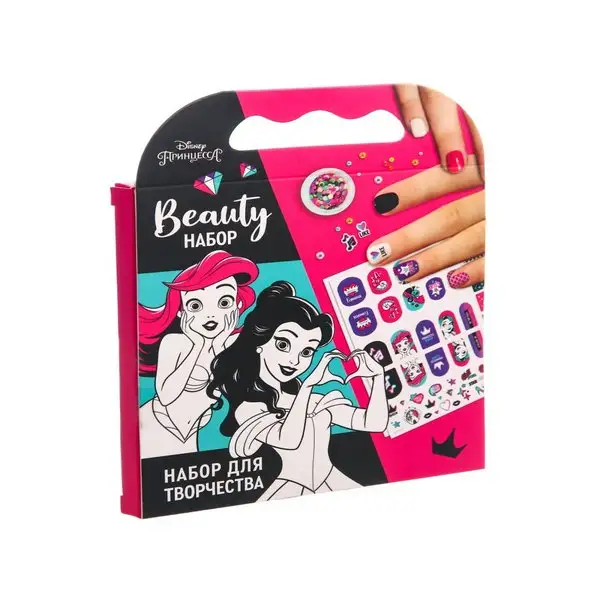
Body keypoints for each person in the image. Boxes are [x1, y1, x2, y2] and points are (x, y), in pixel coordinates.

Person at [208, 282, 389, 500]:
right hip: (290, 491)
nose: (294, 361)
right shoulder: (249, 407)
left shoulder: (314, 400)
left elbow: (374, 423)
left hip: (334, 482)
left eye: (306, 352)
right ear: (259, 342)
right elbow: (288, 440)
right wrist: (308, 386)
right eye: (283, 345)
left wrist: (378, 377)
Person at [138, 250, 258, 457]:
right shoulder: (175, 342)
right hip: (157, 424)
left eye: (224, 302)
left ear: (237, 305)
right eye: (195, 305)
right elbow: (166, 396)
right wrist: (197, 346)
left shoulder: (232, 344)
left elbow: (239, 391)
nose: (210, 314)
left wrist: (220, 344)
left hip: (192, 431)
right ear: (181, 311)